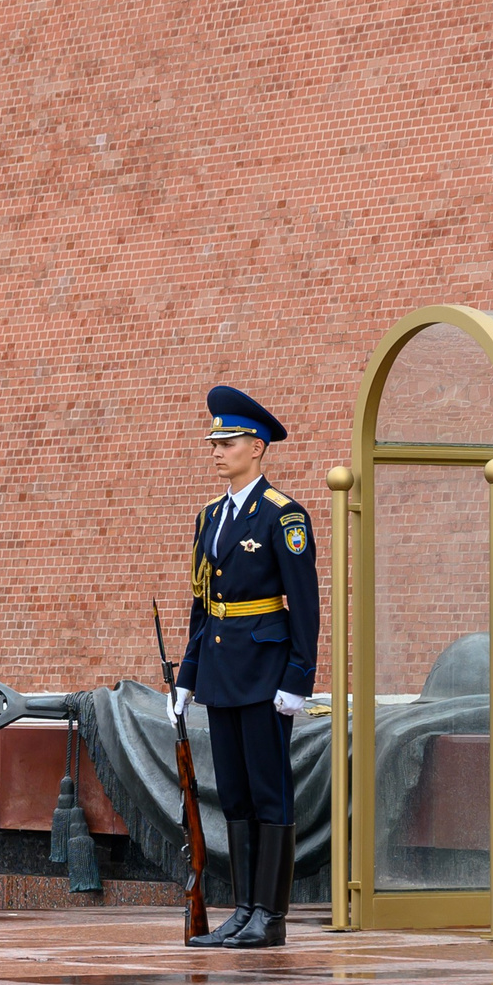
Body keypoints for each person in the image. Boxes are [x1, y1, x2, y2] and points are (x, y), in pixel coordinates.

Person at [175, 386, 318, 948]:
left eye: (228, 441)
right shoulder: (210, 516)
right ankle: (242, 911)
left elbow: (304, 605)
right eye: (214, 441)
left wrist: (297, 679)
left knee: (268, 791)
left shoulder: (284, 516)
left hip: (264, 670)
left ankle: (270, 917)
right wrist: (186, 677)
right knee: (233, 793)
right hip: (219, 669)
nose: (217, 450)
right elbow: (201, 602)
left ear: (256, 447)